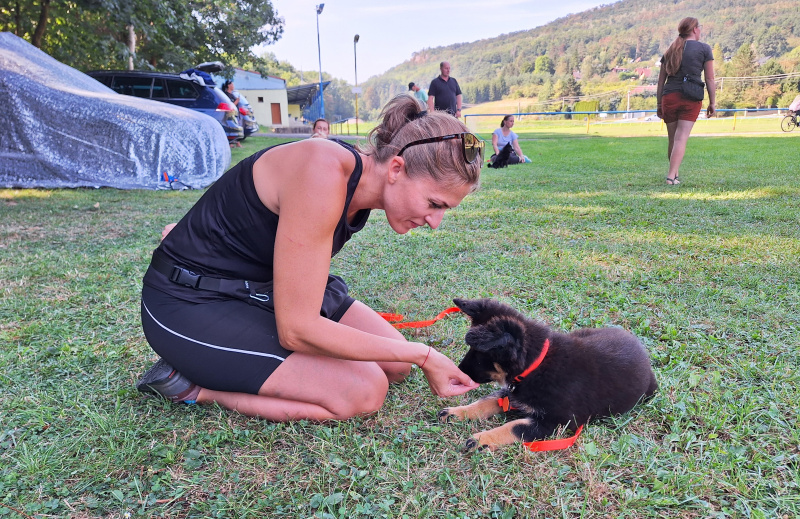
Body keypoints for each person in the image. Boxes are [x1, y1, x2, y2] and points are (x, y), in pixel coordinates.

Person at [136, 95, 484, 422]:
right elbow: (297, 330)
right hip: (190, 301)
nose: (435, 222)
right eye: (434, 204)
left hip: (263, 287)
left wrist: (409, 357)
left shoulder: (358, 184)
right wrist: (423, 354)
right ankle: (191, 388)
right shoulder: (322, 170)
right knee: (364, 391)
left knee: (396, 367)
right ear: (396, 168)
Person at [656, 17, 715, 185]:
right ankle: (670, 176)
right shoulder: (704, 48)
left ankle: (674, 175)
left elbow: (661, 81)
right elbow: (710, 79)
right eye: (699, 27)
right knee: (681, 138)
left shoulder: (670, 50)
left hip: (669, 96)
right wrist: (712, 102)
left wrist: (659, 104)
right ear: (695, 29)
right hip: (691, 96)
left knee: (673, 139)